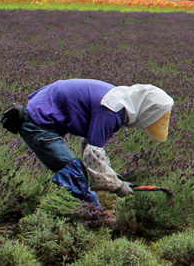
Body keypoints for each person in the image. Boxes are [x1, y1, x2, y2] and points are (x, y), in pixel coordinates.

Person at [11, 79, 174, 205]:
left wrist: (112, 179)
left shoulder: (116, 100)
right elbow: (92, 152)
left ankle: (74, 212)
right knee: (73, 171)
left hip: (40, 117)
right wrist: (116, 186)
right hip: (37, 122)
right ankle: (89, 219)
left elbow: (89, 145)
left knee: (77, 173)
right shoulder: (112, 111)